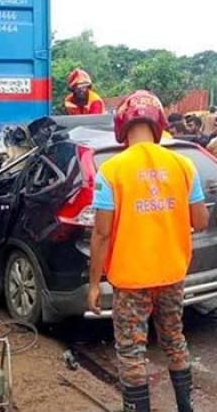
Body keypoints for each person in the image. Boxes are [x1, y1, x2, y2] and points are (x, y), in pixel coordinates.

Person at [88, 90, 208, 412]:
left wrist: (93, 284)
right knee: (174, 341)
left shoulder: (112, 171)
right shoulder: (183, 165)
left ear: (122, 126)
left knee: (131, 352)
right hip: (172, 273)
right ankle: (187, 408)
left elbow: (101, 233)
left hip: (130, 280)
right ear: (158, 124)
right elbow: (201, 220)